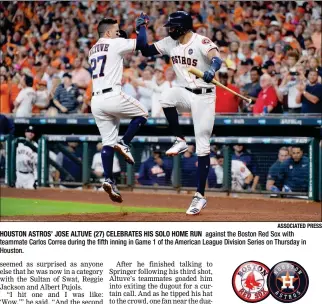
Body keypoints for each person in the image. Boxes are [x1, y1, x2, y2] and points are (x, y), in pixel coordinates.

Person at [136, 11, 222, 215]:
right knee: (166, 96)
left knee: (202, 145)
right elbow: (145, 51)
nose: (170, 30)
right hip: (186, 93)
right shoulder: (169, 42)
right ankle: (180, 139)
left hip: (204, 96)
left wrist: (212, 69)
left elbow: (215, 57)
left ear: (182, 26)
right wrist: (141, 28)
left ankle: (199, 196)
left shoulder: (200, 40)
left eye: (173, 27)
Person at [88, 18, 149, 203]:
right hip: (112, 95)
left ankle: (109, 180)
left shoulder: (92, 50)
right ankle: (125, 143)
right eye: (115, 30)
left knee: (107, 142)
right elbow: (142, 44)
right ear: (107, 33)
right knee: (143, 113)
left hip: (96, 100)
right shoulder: (113, 42)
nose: (117, 32)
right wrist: (141, 27)